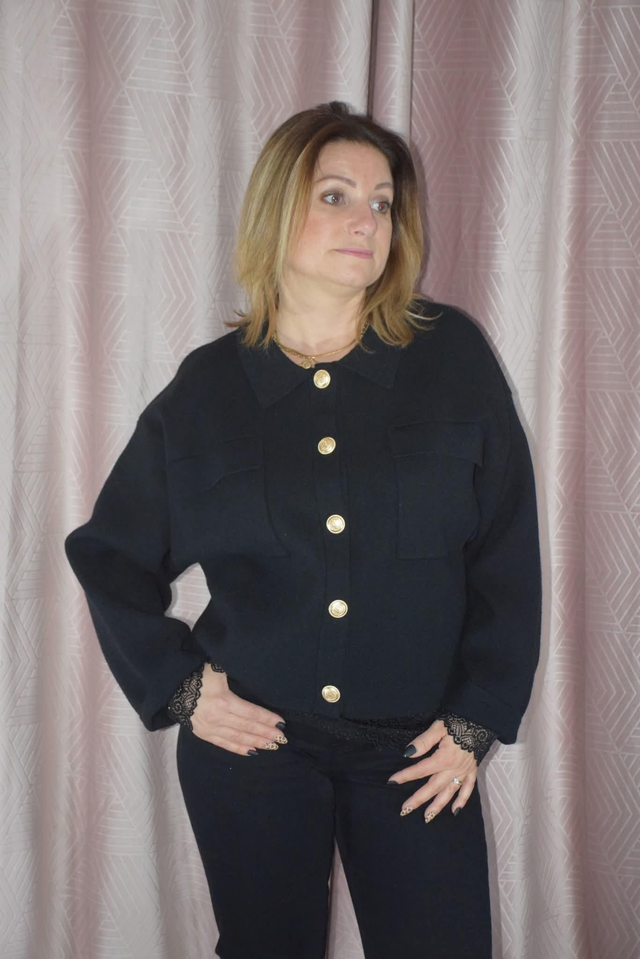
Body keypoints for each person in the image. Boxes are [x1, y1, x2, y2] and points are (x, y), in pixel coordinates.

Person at [64, 100, 542, 959]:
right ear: (277, 210)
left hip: (417, 751)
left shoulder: (451, 360)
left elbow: (505, 554)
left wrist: (477, 718)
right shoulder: (207, 391)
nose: (367, 220)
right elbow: (109, 554)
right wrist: (183, 687)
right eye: (335, 195)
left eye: (383, 202)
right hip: (257, 750)